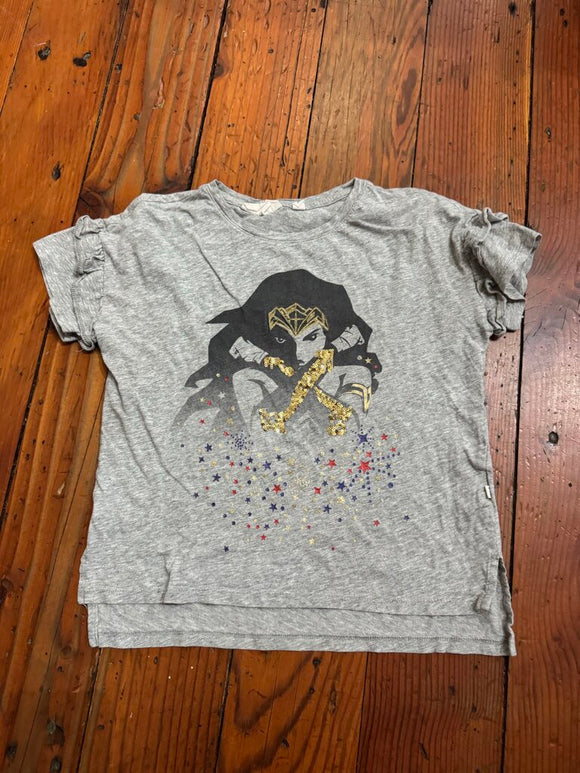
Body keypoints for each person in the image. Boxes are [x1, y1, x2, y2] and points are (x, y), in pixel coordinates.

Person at [171, 269, 382, 437]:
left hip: (339, 458)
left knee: (357, 373)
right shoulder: (253, 378)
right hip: (264, 461)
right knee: (247, 378)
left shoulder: (350, 373)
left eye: (311, 338)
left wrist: (333, 351)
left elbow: (355, 434)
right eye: (282, 339)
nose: (298, 354)